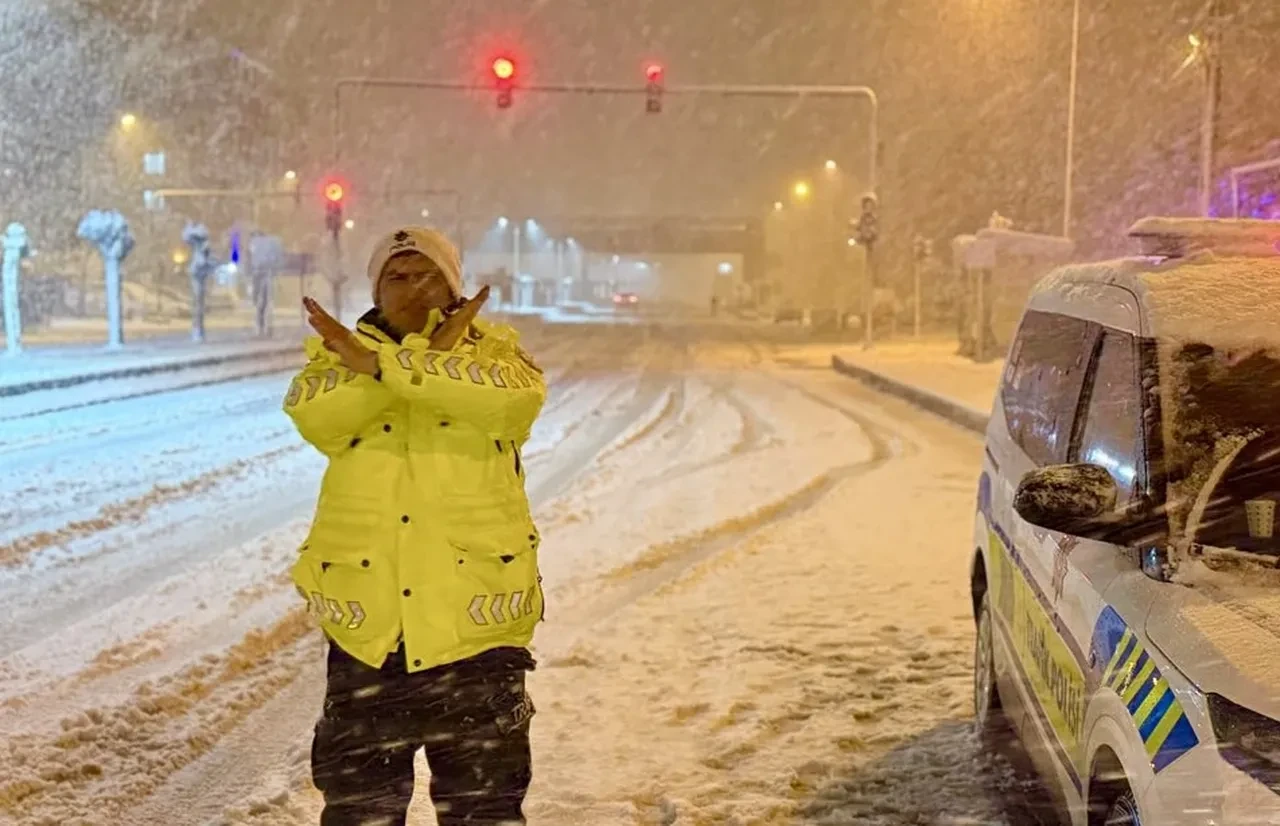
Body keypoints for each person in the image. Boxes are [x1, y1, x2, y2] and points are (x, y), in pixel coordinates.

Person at [283, 226, 548, 826]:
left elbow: (510, 405)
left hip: (475, 631)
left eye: (427, 275)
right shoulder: (331, 363)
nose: (412, 288)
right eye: (396, 277)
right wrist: (408, 365)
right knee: (360, 813)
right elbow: (319, 415)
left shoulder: (500, 360)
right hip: (370, 638)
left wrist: (382, 364)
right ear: (376, 291)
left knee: (484, 812)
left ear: (453, 286)